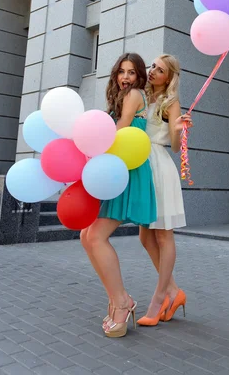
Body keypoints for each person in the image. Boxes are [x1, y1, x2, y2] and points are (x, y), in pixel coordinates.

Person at [80, 52, 157, 338]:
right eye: (122, 72)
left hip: (128, 170)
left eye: (132, 72)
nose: (126, 77)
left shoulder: (135, 94)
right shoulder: (119, 98)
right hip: (114, 169)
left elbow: (122, 128)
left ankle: (123, 302)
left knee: (97, 236)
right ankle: (116, 299)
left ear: (139, 77)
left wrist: (91, 148)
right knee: (87, 236)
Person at [137, 54, 192, 326]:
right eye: (153, 66)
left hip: (159, 166)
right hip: (142, 168)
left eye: (159, 70)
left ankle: (159, 299)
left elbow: (174, 145)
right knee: (145, 238)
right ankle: (173, 290)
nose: (153, 71)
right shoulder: (142, 96)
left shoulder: (171, 103)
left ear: (168, 78)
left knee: (162, 235)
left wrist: (179, 128)